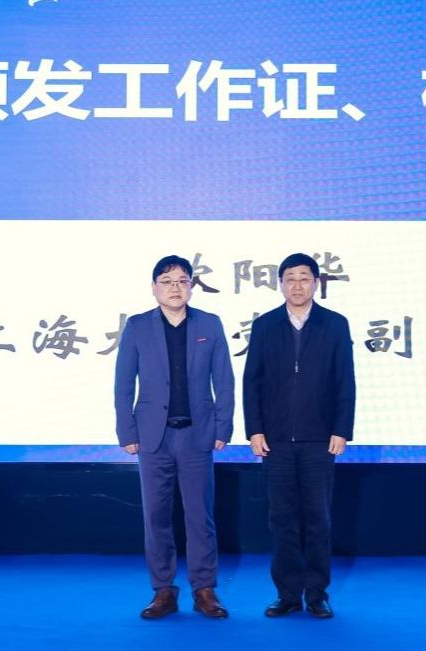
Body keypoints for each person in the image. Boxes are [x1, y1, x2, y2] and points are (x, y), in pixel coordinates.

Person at [114, 255, 234, 619]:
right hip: (153, 437)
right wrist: (127, 430)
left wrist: (222, 427)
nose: (175, 288)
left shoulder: (209, 324)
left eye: (182, 281)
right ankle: (163, 590)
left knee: (200, 515)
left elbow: (224, 380)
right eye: (167, 282)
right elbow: (123, 383)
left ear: (191, 287)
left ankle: (204, 589)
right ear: (154, 288)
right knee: (156, 516)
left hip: (197, 435)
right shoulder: (137, 326)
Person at [242, 252, 356, 619]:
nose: (297, 285)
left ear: (316, 283)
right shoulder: (265, 325)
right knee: (282, 520)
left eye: (304, 278)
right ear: (280, 284)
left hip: (320, 439)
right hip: (275, 441)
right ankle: (288, 594)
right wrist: (254, 429)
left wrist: (341, 429)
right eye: (290, 279)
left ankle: (317, 594)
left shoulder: (334, 324)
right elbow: (252, 381)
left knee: (318, 519)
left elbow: (345, 380)